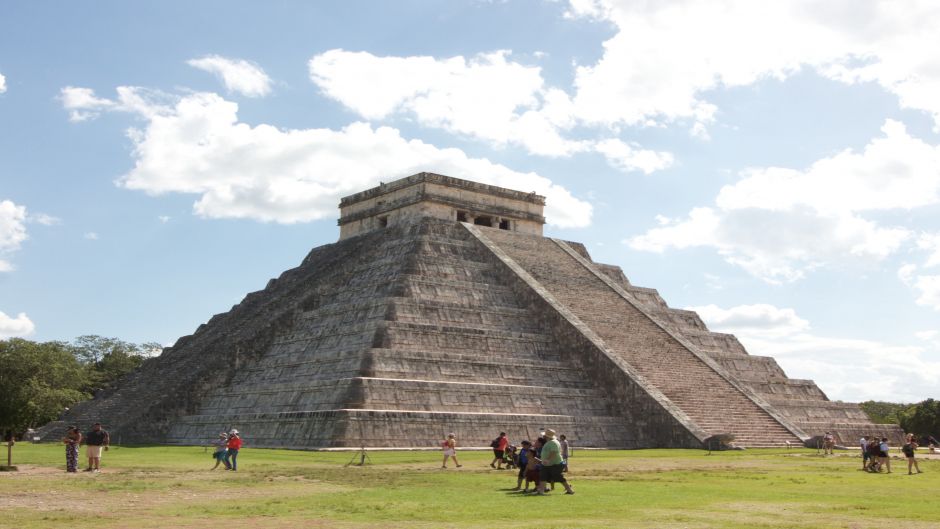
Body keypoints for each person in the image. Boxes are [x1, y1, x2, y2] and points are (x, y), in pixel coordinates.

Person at [537, 429, 574, 495]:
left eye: (544, 436)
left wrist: (548, 459)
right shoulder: (550, 442)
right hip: (548, 464)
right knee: (543, 476)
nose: (543, 437)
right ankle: (541, 491)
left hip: (554, 464)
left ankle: (569, 490)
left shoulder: (553, 442)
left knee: (558, 477)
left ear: (547, 436)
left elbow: (554, 452)